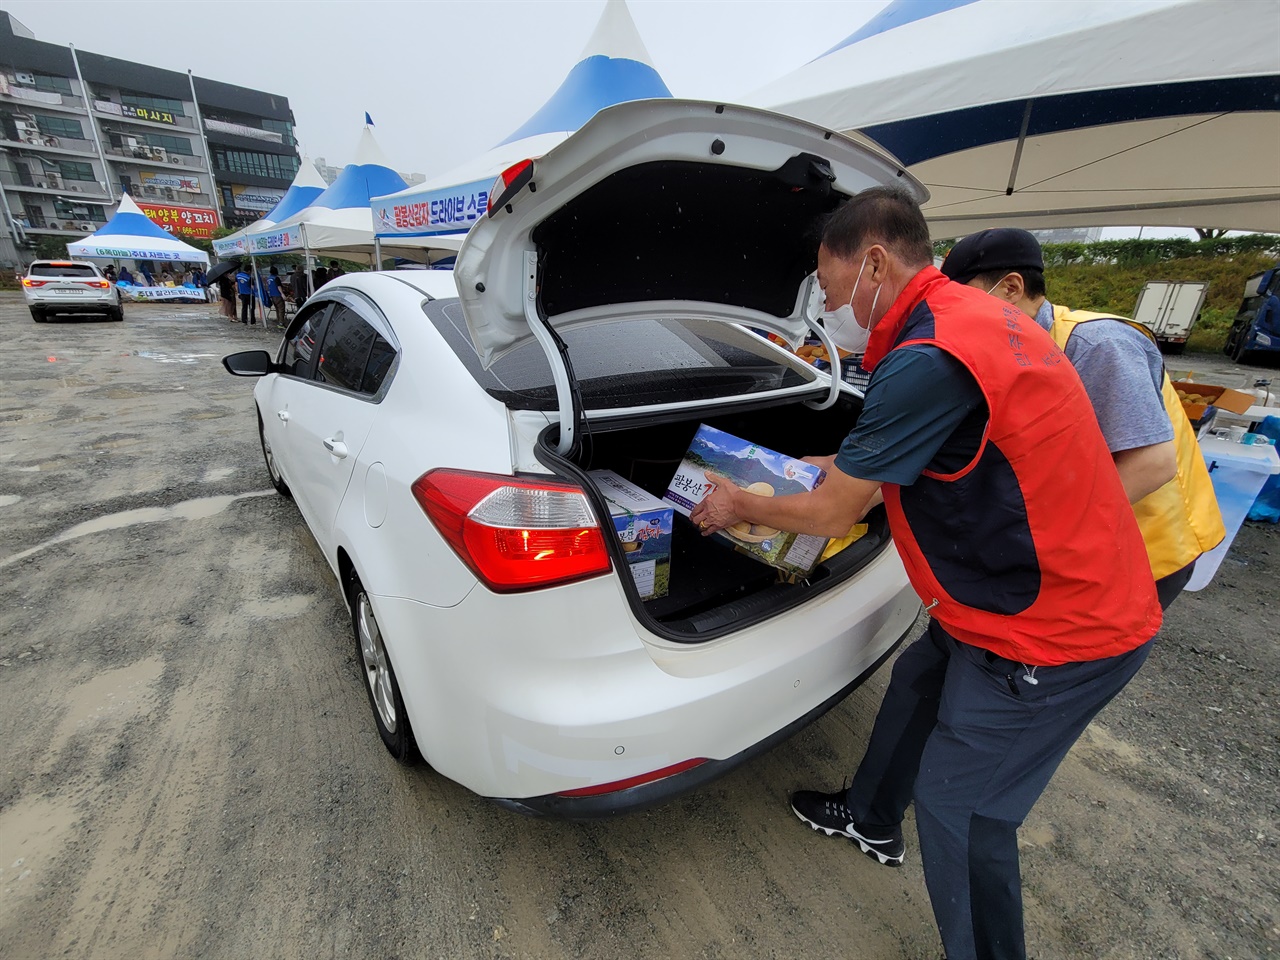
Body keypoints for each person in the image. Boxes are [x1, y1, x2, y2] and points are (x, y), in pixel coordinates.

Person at [688, 187, 1162, 960]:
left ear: (874, 261)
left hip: (1051, 628)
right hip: (996, 594)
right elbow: (899, 456)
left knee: (962, 810)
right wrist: (812, 464)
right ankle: (873, 818)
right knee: (916, 682)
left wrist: (741, 498)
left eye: (833, 287)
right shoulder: (979, 320)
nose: (831, 305)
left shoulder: (929, 355)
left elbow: (837, 516)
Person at [939, 228, 1225, 608]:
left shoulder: (1098, 344)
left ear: (1011, 287)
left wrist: (1045, 539)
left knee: (1068, 661)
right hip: (1083, 543)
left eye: (964, 300)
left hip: (1145, 543)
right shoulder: (1018, 344)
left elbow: (1150, 465)